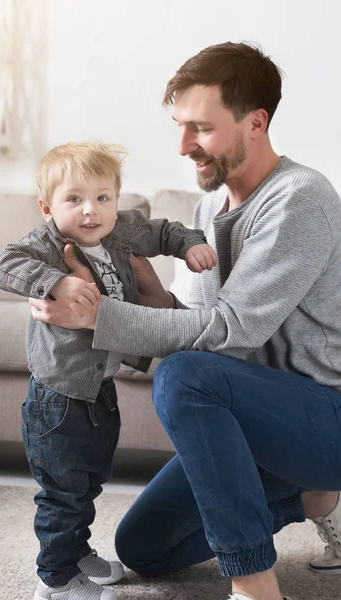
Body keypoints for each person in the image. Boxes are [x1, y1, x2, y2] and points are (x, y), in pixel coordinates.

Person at [28, 42, 341, 600]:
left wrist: (97, 318)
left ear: (255, 122)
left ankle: (253, 587)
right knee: (145, 549)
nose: (182, 146)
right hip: (257, 420)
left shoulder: (300, 199)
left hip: (324, 417)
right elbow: (202, 330)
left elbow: (230, 330)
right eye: (179, 126)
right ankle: (313, 496)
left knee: (183, 376)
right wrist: (152, 297)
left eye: (199, 128)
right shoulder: (207, 211)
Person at [0, 141, 217, 600]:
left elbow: (168, 230)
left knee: (91, 478)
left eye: (102, 197)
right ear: (47, 207)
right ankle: (54, 578)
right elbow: (4, 266)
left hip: (100, 386)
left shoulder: (123, 231)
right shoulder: (46, 245)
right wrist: (55, 280)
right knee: (63, 490)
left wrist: (191, 245)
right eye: (73, 199)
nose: (90, 211)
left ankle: (75, 552)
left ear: (116, 198)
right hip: (59, 394)